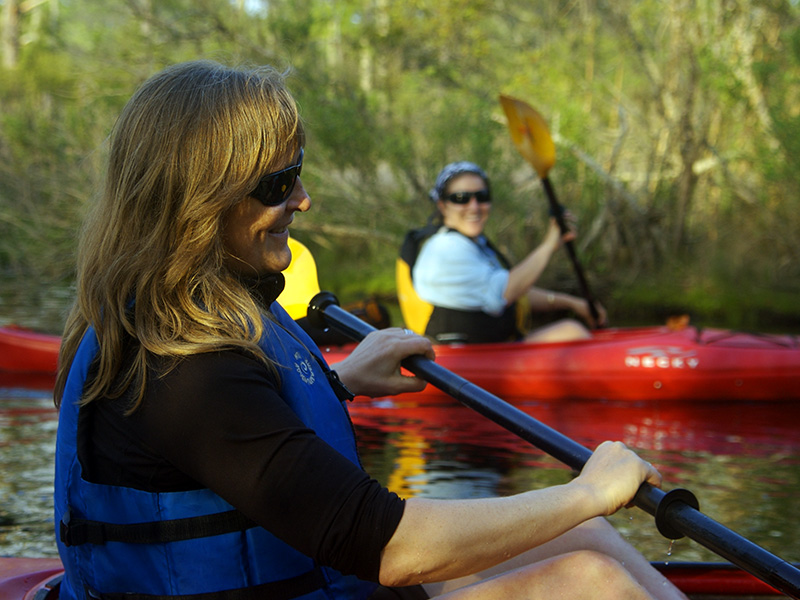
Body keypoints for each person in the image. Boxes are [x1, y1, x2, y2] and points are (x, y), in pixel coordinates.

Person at [52, 60, 685, 600]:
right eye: (278, 182)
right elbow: (389, 547)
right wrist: (590, 491)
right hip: (347, 565)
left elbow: (234, 434)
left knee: (590, 542)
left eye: (297, 170)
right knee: (589, 578)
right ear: (199, 200)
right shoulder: (177, 365)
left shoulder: (195, 317)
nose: (302, 198)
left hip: (318, 579)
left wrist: (339, 381)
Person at [408, 161, 607, 344]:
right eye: (461, 198)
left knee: (571, 329)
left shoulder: (473, 244)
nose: (474, 206)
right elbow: (503, 293)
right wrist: (548, 244)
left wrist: (572, 303)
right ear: (442, 205)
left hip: (492, 350)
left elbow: (516, 291)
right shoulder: (445, 248)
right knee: (572, 332)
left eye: (482, 197)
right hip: (463, 363)